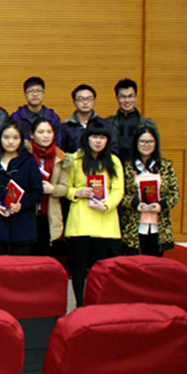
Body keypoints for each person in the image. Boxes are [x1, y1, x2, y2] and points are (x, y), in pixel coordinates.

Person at [65, 119, 125, 306]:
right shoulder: (75, 159)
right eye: (94, 137)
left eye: (102, 137)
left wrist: (106, 206)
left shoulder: (113, 161)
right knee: (78, 267)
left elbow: (118, 190)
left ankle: (95, 304)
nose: (98, 141)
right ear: (87, 138)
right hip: (81, 219)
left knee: (98, 267)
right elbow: (65, 187)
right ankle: (80, 304)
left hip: (104, 219)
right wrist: (78, 192)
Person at [0, 120, 44, 256]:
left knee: (19, 266)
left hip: (22, 224)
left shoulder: (29, 160)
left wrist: (21, 204)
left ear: (21, 140)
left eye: (15, 138)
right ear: (0, 138)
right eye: (6, 137)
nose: (10, 142)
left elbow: (37, 192)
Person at [120, 125, 180, 257]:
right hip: (133, 225)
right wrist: (135, 203)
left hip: (158, 225)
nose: (146, 145)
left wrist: (161, 205)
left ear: (156, 144)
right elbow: (119, 194)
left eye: (150, 141)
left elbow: (175, 194)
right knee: (134, 264)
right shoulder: (126, 167)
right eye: (142, 141)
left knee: (154, 264)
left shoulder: (165, 166)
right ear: (136, 143)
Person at [27, 116, 70, 257]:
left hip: (50, 210)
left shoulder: (61, 157)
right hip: (28, 210)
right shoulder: (24, 154)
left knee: (46, 254)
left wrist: (53, 189)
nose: (45, 136)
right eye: (41, 132)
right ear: (32, 135)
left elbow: (65, 187)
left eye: (49, 132)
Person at [107, 78, 158, 161]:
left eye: (130, 96)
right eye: (123, 97)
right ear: (117, 98)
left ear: (135, 97)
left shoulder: (148, 124)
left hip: (140, 167)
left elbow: (156, 151)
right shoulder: (108, 123)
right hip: (115, 166)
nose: (127, 100)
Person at [59, 84, 117, 154]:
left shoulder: (105, 125)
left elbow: (113, 149)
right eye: (81, 99)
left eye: (89, 99)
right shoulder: (65, 127)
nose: (85, 102)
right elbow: (60, 151)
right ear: (74, 102)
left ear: (93, 101)